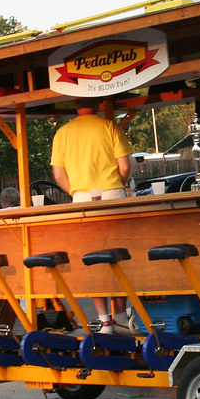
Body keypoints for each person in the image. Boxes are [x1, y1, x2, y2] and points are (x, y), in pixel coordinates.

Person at [50, 97, 134, 333]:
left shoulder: (62, 133)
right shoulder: (110, 127)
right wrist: (120, 184)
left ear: (74, 106)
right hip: (113, 195)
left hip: (82, 200)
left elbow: (58, 176)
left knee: (92, 257)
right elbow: (125, 168)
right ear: (98, 104)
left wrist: (76, 192)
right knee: (119, 256)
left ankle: (104, 319)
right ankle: (120, 317)